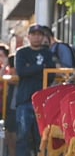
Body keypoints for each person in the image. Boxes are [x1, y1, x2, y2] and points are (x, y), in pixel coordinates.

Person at [13, 25, 55, 156]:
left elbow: (51, 74)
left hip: (42, 102)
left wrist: (31, 68)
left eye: (39, 34)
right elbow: (21, 71)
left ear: (43, 37)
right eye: (34, 34)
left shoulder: (47, 53)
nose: (36, 37)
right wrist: (41, 68)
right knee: (22, 137)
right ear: (28, 36)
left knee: (42, 137)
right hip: (24, 100)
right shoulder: (21, 52)